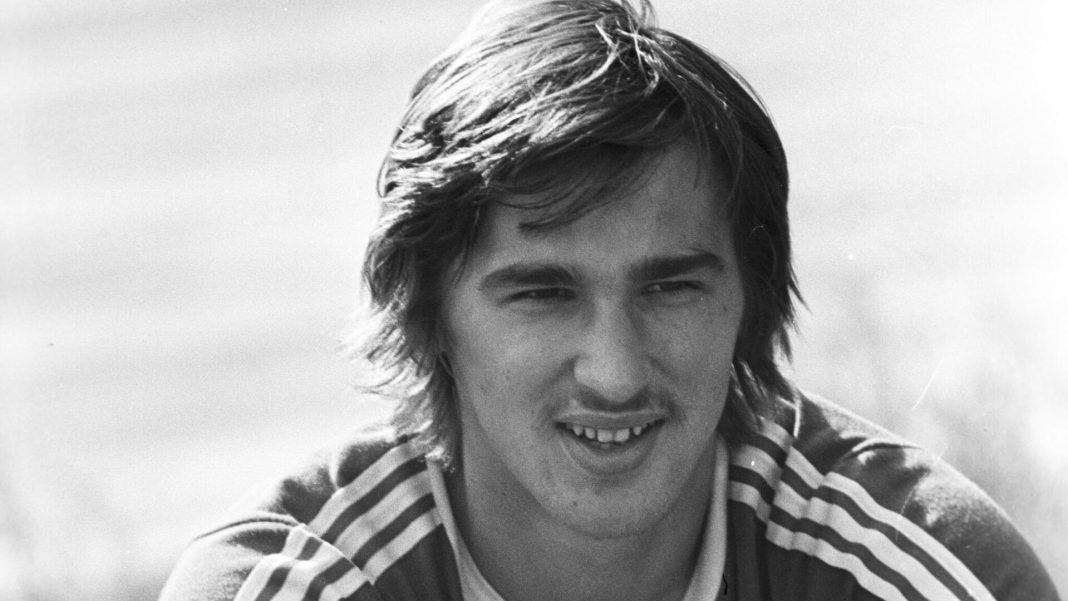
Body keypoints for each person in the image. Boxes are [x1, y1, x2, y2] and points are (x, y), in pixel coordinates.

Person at [159, 1, 1059, 599]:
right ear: (430, 316)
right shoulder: (300, 583)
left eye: (670, 286)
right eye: (543, 293)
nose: (617, 372)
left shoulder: (913, 573)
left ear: (748, 302)